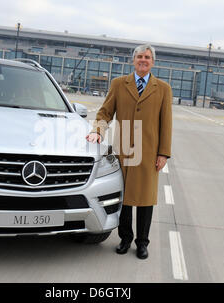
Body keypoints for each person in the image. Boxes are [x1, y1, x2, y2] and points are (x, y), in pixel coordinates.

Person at [86, 44, 173, 259]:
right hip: (122, 151)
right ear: (133, 61)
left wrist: (163, 153)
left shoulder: (163, 88)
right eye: (140, 57)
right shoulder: (118, 84)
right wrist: (98, 131)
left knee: (145, 200)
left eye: (147, 57)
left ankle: (142, 243)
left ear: (152, 62)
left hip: (149, 153)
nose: (143, 60)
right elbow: (105, 112)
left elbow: (166, 123)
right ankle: (125, 239)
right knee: (124, 199)